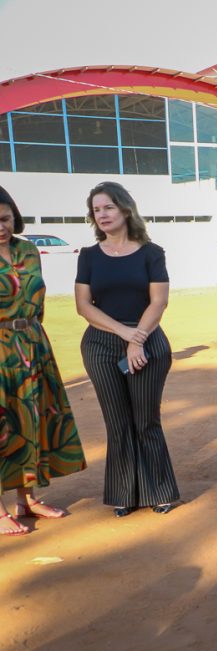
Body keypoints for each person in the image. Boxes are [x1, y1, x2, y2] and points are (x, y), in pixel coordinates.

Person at [75, 182, 179, 517]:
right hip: (101, 345)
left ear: (125, 209)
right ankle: (124, 492)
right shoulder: (89, 256)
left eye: (108, 207)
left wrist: (138, 339)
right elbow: (83, 306)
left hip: (148, 340)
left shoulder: (152, 253)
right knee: (117, 422)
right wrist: (125, 335)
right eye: (96, 210)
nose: (102, 214)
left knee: (146, 420)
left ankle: (159, 490)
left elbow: (158, 301)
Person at [0, 186, 85, 536]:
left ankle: (27, 499)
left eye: (5, 219)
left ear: (14, 217)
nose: (1, 227)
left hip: (33, 345)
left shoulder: (29, 251)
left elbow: (39, 298)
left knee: (31, 419)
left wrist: (33, 337)